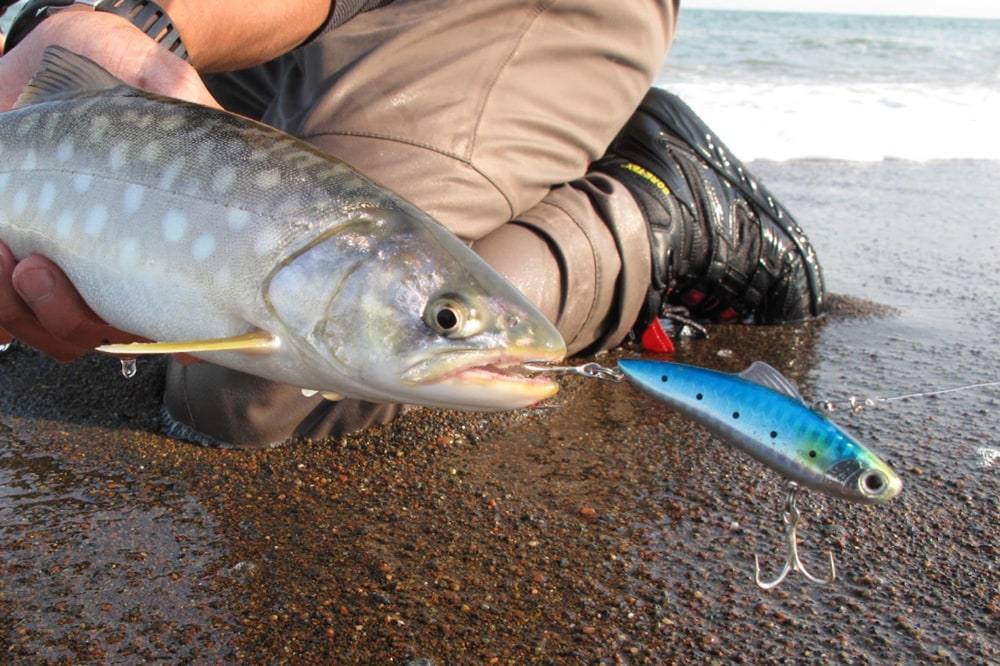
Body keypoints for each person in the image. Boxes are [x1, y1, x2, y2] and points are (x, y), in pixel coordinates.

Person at [0, 0, 824, 448]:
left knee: (246, 398)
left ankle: (654, 215)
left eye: (448, 317)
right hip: (258, 25)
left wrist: (144, 24)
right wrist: (104, 23)